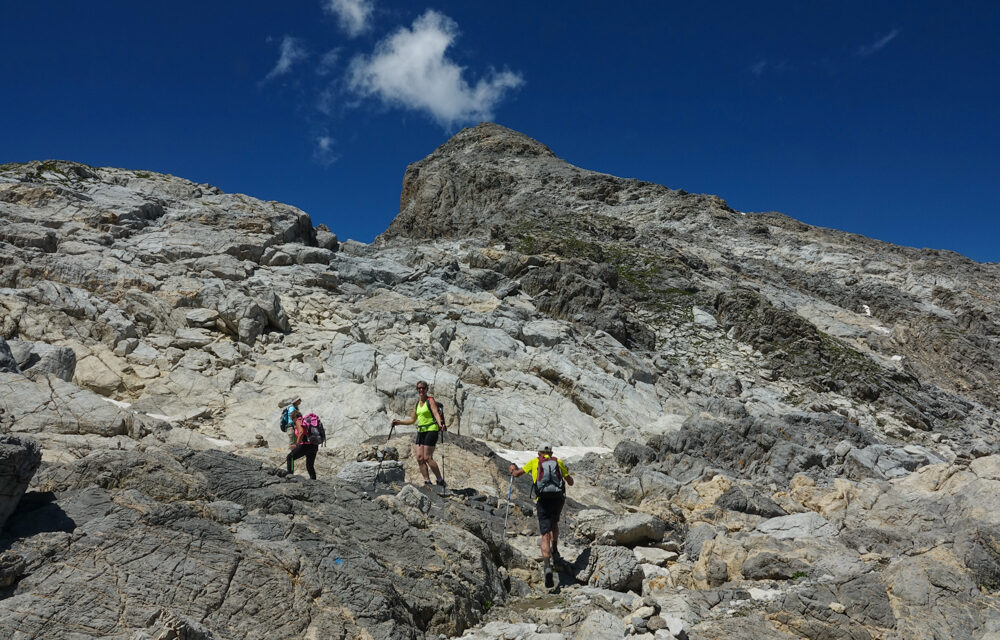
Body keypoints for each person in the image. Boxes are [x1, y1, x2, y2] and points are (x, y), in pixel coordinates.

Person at [510, 444, 574, 589]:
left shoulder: (534, 462)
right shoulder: (558, 462)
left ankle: (547, 566)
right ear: (551, 452)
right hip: (558, 499)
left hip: (543, 500)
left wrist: (512, 469)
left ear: (539, 452)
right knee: (554, 523)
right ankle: (555, 550)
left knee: (545, 533)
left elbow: (517, 474)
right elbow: (570, 482)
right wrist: (566, 472)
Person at [391, 381, 447, 488]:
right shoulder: (417, 403)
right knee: (419, 458)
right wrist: (399, 422)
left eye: (423, 388)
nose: (421, 390)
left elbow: (435, 413)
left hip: (431, 429)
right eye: (419, 388)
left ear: (426, 389)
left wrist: (441, 424)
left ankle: (440, 480)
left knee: (427, 457)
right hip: (421, 431)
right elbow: (412, 420)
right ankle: (427, 481)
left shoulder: (430, 400)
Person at [286, 412, 319, 479]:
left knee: (290, 457)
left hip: (305, 445)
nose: (293, 421)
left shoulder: (298, 420)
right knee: (310, 465)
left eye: (292, 419)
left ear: (294, 417)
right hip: (314, 445)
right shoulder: (307, 422)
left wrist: (296, 444)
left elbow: (301, 432)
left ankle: (290, 475)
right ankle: (313, 481)